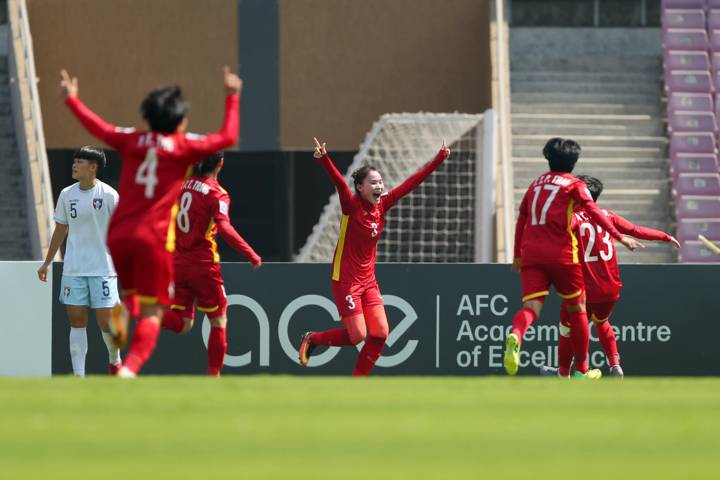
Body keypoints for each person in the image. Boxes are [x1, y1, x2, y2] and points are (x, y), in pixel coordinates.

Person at [60, 65, 242, 377]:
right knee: (152, 314)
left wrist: (72, 100)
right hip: (152, 240)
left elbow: (99, 128)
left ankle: (118, 332)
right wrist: (232, 98)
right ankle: (127, 371)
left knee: (132, 302)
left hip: (117, 237)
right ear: (180, 121)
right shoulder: (183, 148)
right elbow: (228, 136)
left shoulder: (132, 140)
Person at [298, 137, 450, 375]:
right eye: (373, 182)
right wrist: (325, 159)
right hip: (346, 280)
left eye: (380, 182)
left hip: (368, 281)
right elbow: (339, 183)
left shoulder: (383, 205)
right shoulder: (351, 205)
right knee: (357, 335)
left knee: (380, 333)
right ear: (360, 187)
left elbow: (411, 183)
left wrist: (439, 158)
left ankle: (358, 384)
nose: (379, 186)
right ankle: (313, 338)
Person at [505, 137, 642, 379]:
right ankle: (581, 371)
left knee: (531, 308)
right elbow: (593, 211)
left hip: (532, 254)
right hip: (562, 254)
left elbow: (522, 219)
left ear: (548, 159)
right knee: (578, 309)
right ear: (574, 162)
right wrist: (618, 236)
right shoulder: (574, 184)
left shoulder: (534, 185)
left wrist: (517, 255)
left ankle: (516, 334)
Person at [541, 175, 680, 377]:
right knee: (601, 321)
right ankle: (615, 365)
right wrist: (666, 236)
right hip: (610, 289)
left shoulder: (573, 218)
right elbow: (636, 230)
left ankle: (563, 373)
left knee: (567, 329)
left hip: (583, 290)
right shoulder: (608, 216)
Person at [160, 152, 262, 376]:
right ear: (221, 163)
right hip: (203, 264)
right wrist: (251, 253)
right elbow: (224, 228)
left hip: (177, 262)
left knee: (184, 323)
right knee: (218, 319)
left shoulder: (179, 185)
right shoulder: (217, 193)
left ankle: (147, 314)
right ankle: (214, 378)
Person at [37, 146, 122, 376]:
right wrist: (46, 262)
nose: (74, 165)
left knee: (106, 322)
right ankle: (78, 376)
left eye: (80, 162)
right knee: (77, 321)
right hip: (73, 269)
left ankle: (115, 360)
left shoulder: (109, 195)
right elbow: (60, 229)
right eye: (74, 161)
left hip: (103, 268)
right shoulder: (67, 194)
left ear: (93, 167)